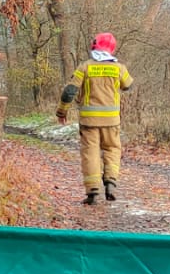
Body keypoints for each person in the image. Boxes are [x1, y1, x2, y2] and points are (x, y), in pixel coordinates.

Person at [54, 32, 133, 206]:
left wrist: (61, 112)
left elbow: (69, 92)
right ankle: (110, 182)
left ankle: (93, 191)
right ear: (112, 48)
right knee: (112, 149)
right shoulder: (119, 68)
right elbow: (128, 85)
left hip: (89, 121)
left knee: (90, 154)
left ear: (94, 46)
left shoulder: (85, 67)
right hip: (111, 122)